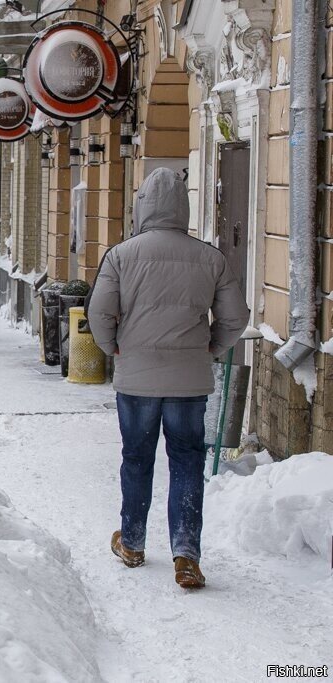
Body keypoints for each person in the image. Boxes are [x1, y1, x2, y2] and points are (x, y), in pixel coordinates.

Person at [87, 167, 249, 589]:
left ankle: (133, 542)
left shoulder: (121, 255)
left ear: (142, 206)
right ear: (184, 207)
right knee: (187, 462)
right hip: (188, 382)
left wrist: (112, 347)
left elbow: (100, 313)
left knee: (137, 459)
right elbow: (235, 318)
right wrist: (210, 348)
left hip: (137, 380)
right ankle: (187, 555)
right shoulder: (211, 257)